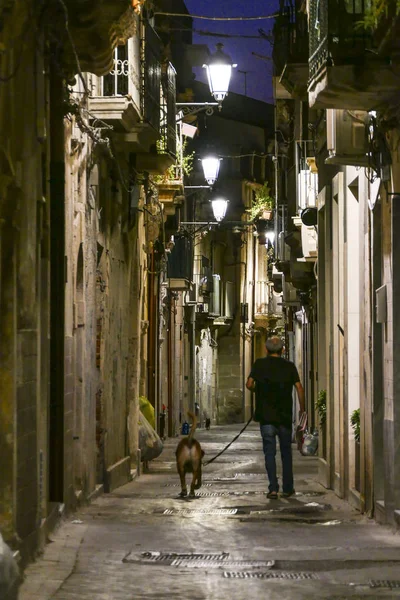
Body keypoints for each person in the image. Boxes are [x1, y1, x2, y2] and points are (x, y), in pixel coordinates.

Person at [246, 336, 305, 499]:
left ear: (266, 350)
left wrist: (258, 391)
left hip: (266, 417)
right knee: (286, 453)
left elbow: (249, 384)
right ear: (283, 350)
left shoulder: (259, 364)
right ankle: (288, 488)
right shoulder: (289, 366)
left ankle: (273, 488)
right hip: (284, 417)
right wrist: (303, 410)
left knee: (269, 453)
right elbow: (299, 388)